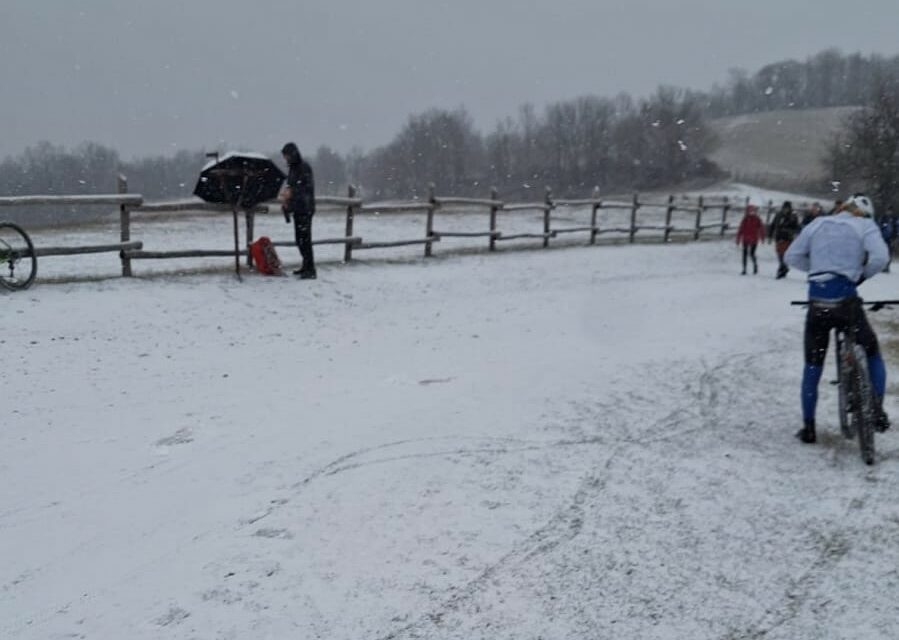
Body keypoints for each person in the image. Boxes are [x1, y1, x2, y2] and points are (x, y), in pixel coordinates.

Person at [784, 194, 891, 444]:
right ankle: (876, 410)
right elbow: (880, 258)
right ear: (864, 214)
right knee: (872, 352)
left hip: (818, 303)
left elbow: (791, 257)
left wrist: (818, 271)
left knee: (813, 365)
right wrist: (860, 275)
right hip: (846, 304)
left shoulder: (818, 223)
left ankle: (809, 427)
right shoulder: (865, 225)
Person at [281, 142, 317, 279]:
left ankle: (310, 269)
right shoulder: (293, 169)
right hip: (298, 208)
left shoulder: (304, 168)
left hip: (305, 208)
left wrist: (292, 193)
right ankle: (306, 266)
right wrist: (287, 200)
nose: (286, 159)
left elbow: (305, 189)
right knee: (299, 239)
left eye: (286, 156)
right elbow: (291, 186)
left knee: (305, 239)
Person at [768, 201, 800, 279]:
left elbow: (796, 227)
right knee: (779, 254)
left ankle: (781, 270)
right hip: (778, 237)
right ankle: (784, 268)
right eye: (785, 208)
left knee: (784, 254)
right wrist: (770, 235)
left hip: (787, 238)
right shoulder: (778, 215)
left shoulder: (793, 216)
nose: (786, 210)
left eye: (787, 208)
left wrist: (790, 231)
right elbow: (773, 225)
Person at [735, 204, 765, 275]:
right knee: (744, 254)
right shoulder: (745, 219)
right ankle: (744, 269)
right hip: (746, 239)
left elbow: (761, 229)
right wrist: (738, 239)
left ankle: (755, 266)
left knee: (752, 254)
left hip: (754, 239)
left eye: (752, 211)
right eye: (749, 211)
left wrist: (762, 237)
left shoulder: (757, 219)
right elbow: (740, 229)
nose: (751, 212)